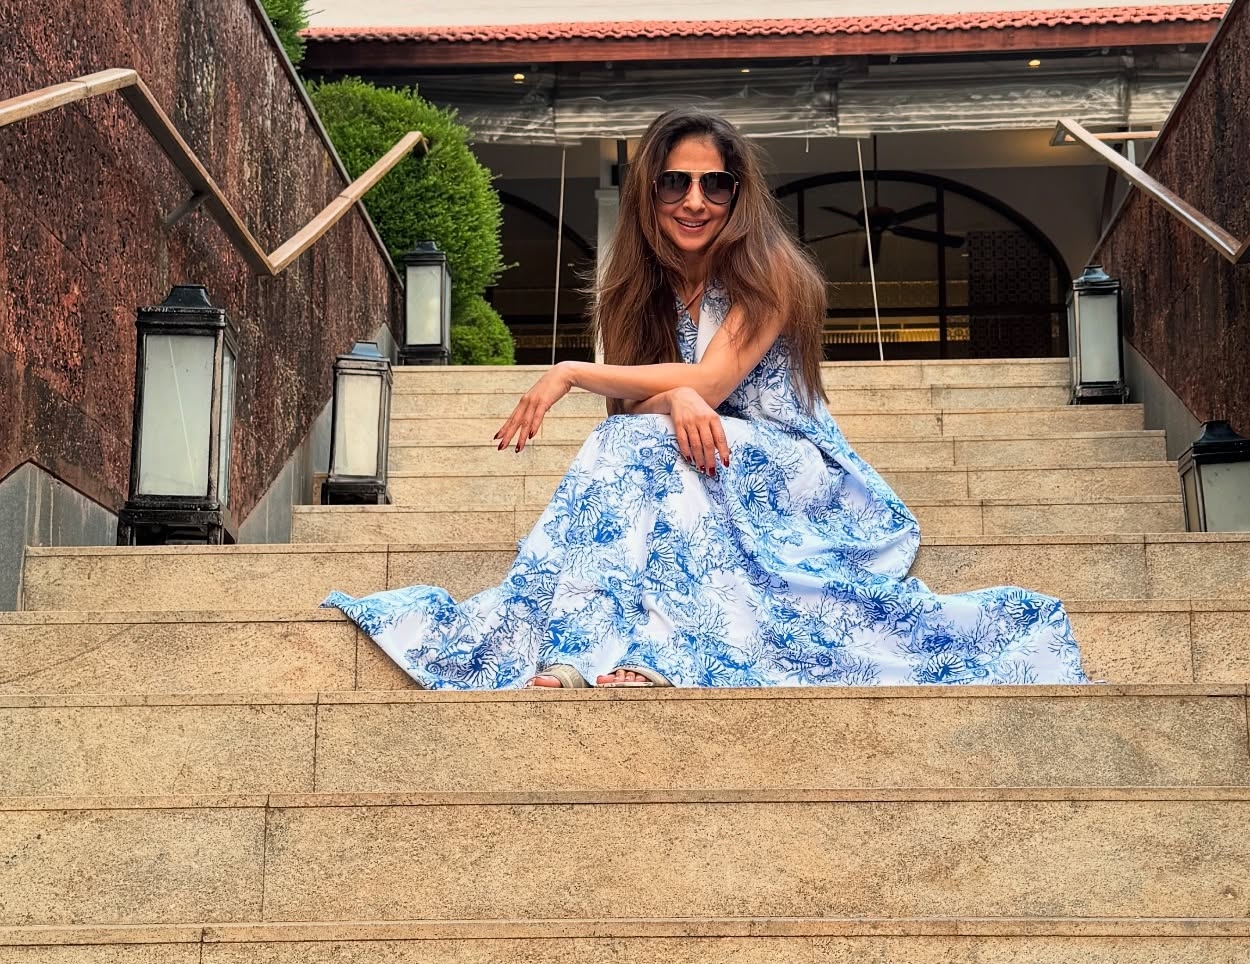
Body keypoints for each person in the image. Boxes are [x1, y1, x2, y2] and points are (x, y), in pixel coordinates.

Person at [322, 109, 1089, 689]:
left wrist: (575, 372)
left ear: (737, 193)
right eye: (675, 182)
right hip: (698, 453)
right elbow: (643, 414)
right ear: (649, 192)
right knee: (632, 444)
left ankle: (631, 646)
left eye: (715, 184)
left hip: (796, 467)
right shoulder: (639, 287)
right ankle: (602, 644)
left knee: (650, 443)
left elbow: (715, 384)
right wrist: (679, 402)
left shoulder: (771, 270)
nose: (695, 200)